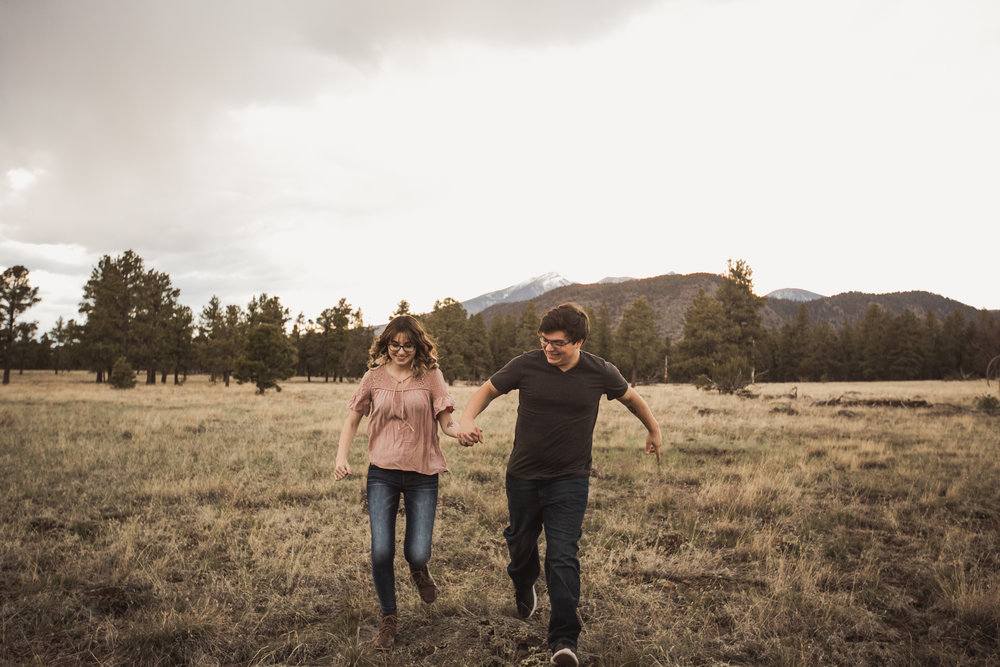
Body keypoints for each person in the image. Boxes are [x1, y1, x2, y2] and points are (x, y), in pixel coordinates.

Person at [456, 302, 661, 667]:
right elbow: (486, 390)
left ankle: (564, 640)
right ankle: (523, 581)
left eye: (558, 343)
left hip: (570, 479)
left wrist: (653, 430)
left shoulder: (600, 372)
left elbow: (632, 399)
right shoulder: (526, 364)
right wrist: (467, 419)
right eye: (545, 340)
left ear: (579, 342)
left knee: (563, 555)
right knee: (520, 543)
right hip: (522, 476)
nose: (549, 347)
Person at [335, 315, 464, 652]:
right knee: (381, 551)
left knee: (417, 551)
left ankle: (419, 569)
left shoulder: (431, 376)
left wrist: (458, 432)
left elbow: (446, 421)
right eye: (395, 344)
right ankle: (388, 620)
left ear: (417, 345)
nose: (402, 350)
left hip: (423, 473)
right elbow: (352, 421)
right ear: (386, 345)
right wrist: (341, 458)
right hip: (383, 473)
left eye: (408, 345)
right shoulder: (373, 378)